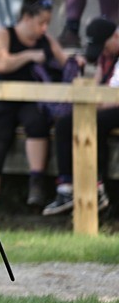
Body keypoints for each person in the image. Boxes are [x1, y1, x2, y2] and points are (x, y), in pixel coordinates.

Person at [0, 0, 75, 213]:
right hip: (2, 101)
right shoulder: (4, 34)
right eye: (41, 22)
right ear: (27, 17)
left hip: (33, 102)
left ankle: (37, 182)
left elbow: (65, 63)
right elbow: (0, 63)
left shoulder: (46, 41)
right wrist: (29, 55)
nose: (44, 28)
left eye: (47, 23)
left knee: (37, 121)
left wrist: (74, 63)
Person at [43, 17, 119, 215]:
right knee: (65, 124)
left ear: (116, 37)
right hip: (107, 103)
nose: (102, 51)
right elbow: (97, 85)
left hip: (114, 103)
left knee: (91, 121)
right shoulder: (106, 55)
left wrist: (88, 105)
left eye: (104, 46)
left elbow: (113, 97)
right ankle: (66, 186)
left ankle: (96, 185)